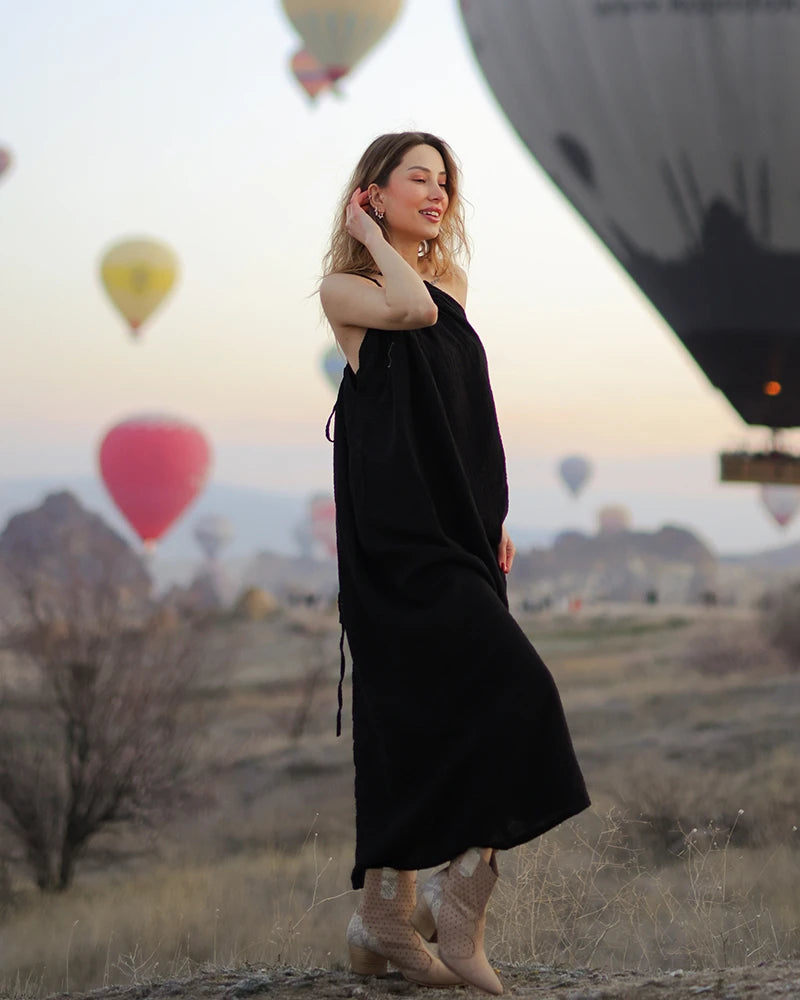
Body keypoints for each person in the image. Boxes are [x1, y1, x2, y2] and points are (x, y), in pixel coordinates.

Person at [320, 132, 590, 994]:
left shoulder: (454, 284)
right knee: (408, 716)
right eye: (417, 180)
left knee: (498, 698)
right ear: (375, 192)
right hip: (393, 548)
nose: (436, 195)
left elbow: (469, 415)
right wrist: (368, 242)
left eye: (445, 181)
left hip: (459, 534)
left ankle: (426, 907)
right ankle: (399, 921)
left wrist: (494, 516)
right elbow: (412, 313)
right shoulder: (347, 290)